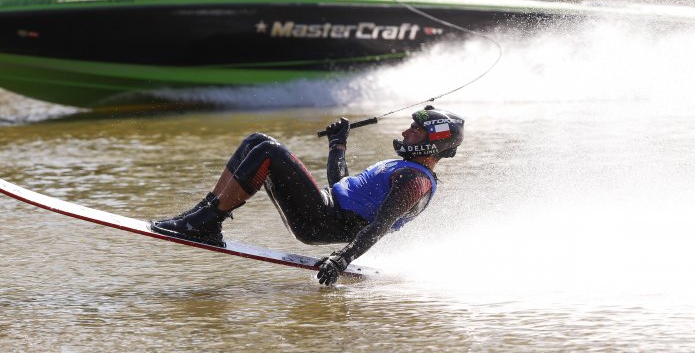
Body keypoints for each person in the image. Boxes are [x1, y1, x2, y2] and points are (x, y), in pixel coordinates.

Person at [152, 106, 464, 286]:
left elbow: (381, 224)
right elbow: (341, 184)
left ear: (432, 142)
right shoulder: (402, 167)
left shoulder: (415, 181)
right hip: (325, 208)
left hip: (323, 221)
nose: (407, 132)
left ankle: (207, 223)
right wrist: (338, 145)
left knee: (268, 151)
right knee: (257, 141)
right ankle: (202, 215)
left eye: (415, 130)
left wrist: (341, 259)